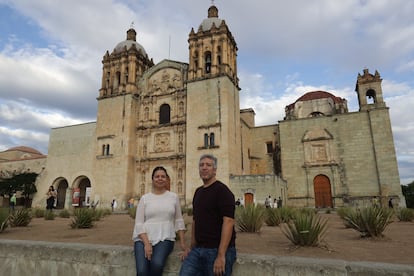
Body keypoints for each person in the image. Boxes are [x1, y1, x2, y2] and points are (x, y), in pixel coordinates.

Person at [180, 154, 236, 276]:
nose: (204, 168)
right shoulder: (198, 192)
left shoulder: (223, 191)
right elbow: (196, 221)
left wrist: (221, 255)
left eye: (208, 165)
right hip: (197, 251)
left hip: (216, 250)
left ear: (215, 170)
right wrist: (191, 247)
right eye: (201, 165)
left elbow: (229, 222)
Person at [132, 166, 188, 276]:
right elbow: (139, 223)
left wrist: (182, 243)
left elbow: (179, 220)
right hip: (143, 239)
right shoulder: (145, 198)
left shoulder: (173, 197)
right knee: (142, 271)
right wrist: (147, 244)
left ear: (167, 179)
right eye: (157, 176)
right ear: (152, 179)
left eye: (163, 176)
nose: (160, 178)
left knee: (157, 264)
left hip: (165, 237)